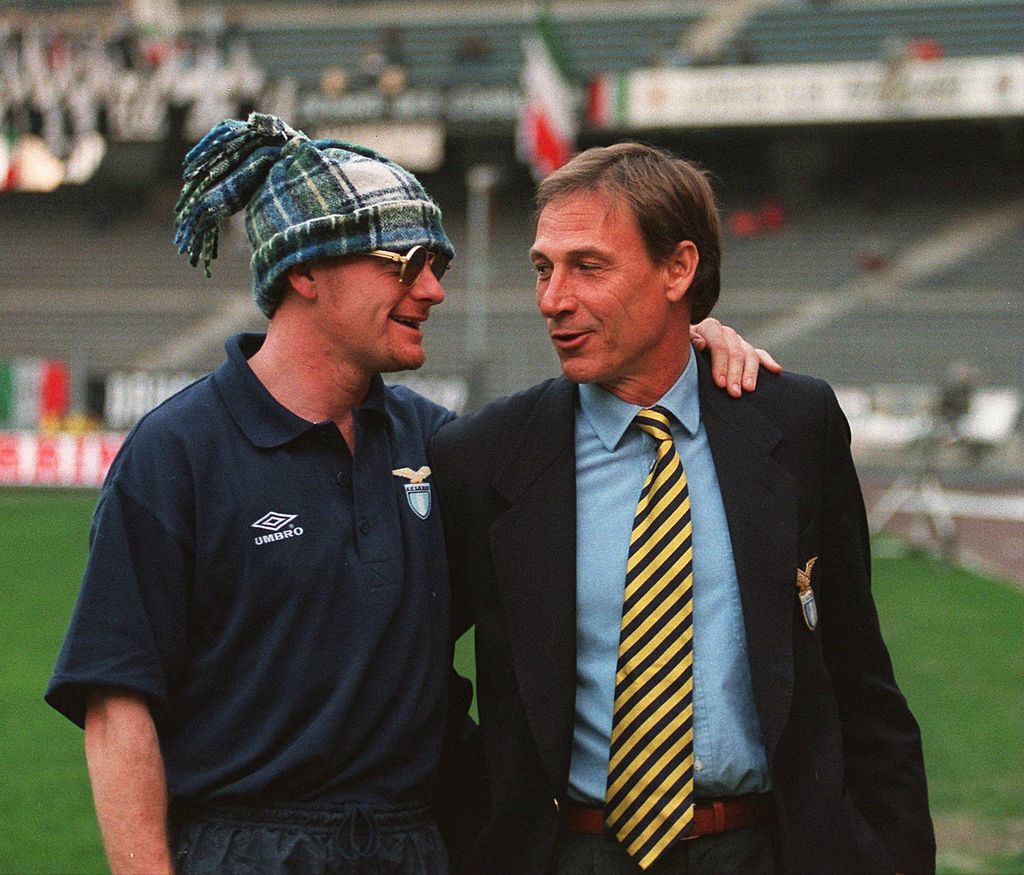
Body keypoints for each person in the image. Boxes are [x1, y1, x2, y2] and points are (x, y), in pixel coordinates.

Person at [44, 115, 770, 875]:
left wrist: (694, 338)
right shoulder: (178, 451)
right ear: (305, 270)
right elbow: (117, 705)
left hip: (414, 844)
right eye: (406, 263)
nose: (433, 290)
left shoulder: (441, 446)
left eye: (437, 264)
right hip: (244, 847)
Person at [429, 143, 935, 874]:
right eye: (543, 268)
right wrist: (488, 820)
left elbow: (859, 674)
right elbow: (417, 680)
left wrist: (893, 852)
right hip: (573, 853)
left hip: (762, 848)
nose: (552, 299)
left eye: (588, 266)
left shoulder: (794, 424)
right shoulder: (484, 455)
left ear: (678, 269)